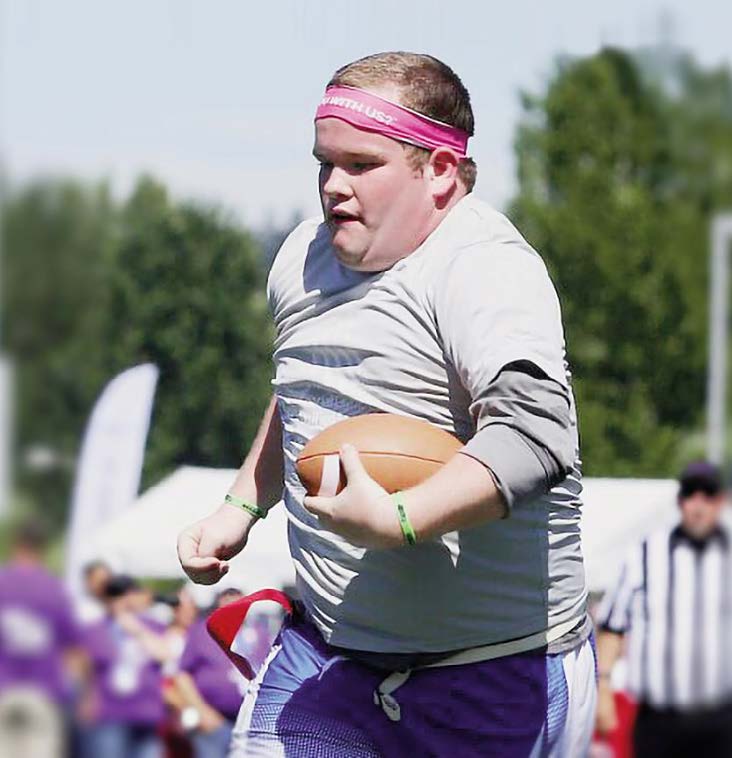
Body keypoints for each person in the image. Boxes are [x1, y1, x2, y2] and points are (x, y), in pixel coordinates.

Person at [178, 51, 593, 757]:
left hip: (494, 676)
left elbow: (533, 437)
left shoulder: (484, 265)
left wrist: (400, 520)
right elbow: (304, 395)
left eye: (362, 165)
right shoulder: (301, 258)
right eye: (324, 163)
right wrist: (242, 502)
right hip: (329, 663)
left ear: (438, 170)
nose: (333, 187)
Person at [595, 461, 732, 757]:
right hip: (658, 720)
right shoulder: (645, 554)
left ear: (720, 501)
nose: (698, 505)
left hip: (722, 719)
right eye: (690, 494)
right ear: (680, 501)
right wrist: (603, 689)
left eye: (707, 494)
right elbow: (612, 626)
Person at [0, 520, 87, 758]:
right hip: (44, 692)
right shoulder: (55, 589)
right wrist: (81, 695)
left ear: (15, 545)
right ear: (42, 549)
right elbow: (73, 649)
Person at [81, 574, 171, 758]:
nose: (120, 600)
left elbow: (164, 655)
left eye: (124, 593)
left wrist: (137, 630)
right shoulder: (95, 628)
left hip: (146, 714)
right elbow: (86, 668)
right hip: (110, 715)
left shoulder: (153, 625)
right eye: (114, 594)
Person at [174, 588, 249, 757]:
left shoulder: (258, 633)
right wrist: (202, 711)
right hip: (214, 721)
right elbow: (182, 675)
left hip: (250, 724)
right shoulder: (201, 632)